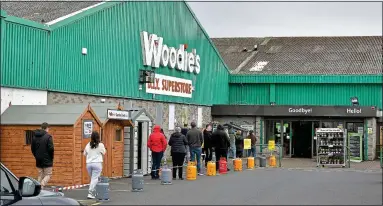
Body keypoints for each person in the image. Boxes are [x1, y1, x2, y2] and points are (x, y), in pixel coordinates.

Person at [83, 131, 106, 199]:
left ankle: (94, 192)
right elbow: (104, 152)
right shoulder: (100, 145)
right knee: (94, 179)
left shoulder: (88, 145)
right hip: (97, 163)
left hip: (89, 164)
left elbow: (84, 154)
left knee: (93, 179)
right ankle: (90, 193)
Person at [31, 122, 54, 189]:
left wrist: (36, 156)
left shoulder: (35, 136)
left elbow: (32, 148)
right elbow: (51, 148)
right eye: (48, 128)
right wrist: (51, 157)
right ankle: (41, 186)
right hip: (47, 159)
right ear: (47, 128)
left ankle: (38, 189)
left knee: (40, 175)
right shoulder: (48, 137)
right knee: (48, 174)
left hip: (38, 159)